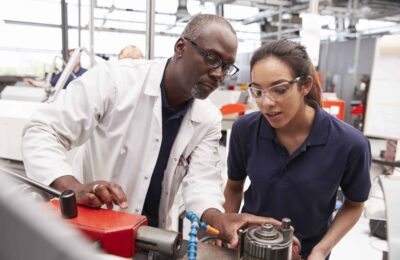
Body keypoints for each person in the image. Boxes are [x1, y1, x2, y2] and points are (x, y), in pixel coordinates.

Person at [22, 14, 279, 246]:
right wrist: (71, 187)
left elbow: (201, 183)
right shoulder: (114, 81)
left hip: (153, 238)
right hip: (93, 230)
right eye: (212, 59)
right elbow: (42, 130)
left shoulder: (208, 118)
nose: (218, 74)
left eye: (227, 66)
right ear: (180, 47)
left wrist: (218, 218)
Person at [224, 39, 371, 259]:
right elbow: (234, 187)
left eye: (280, 89)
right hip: (249, 248)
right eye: (258, 91)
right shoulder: (244, 130)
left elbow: (354, 204)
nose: (266, 103)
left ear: (305, 85)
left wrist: (321, 250)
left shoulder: (350, 144)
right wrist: (228, 227)